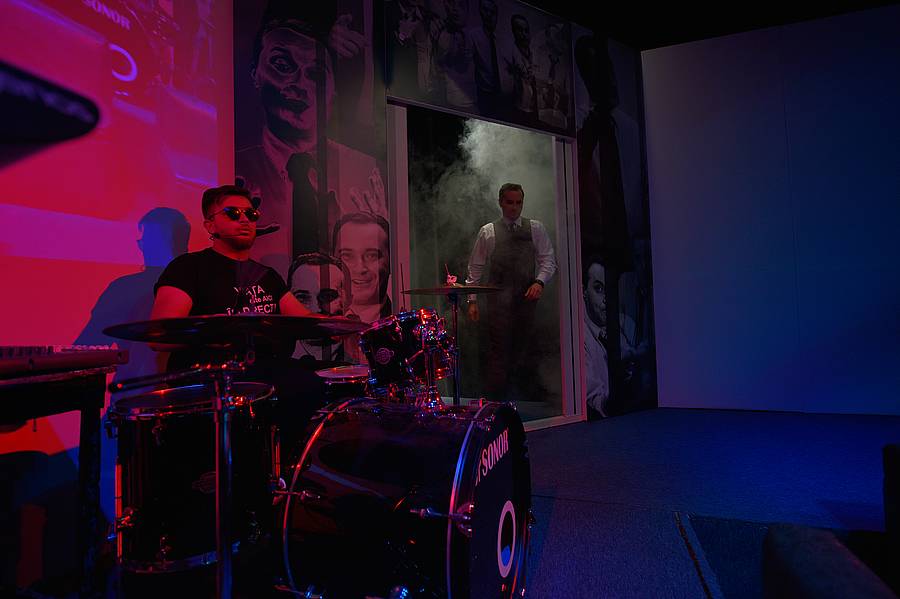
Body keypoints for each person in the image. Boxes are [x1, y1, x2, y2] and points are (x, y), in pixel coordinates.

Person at [236, 4, 380, 277]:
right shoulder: (237, 173)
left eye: (315, 74)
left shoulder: (364, 173)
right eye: (282, 66)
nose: (299, 85)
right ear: (255, 72)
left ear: (334, 90)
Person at [466, 183, 556, 402]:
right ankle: (497, 401)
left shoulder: (535, 228)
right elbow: (475, 267)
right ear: (501, 202)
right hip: (497, 300)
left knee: (524, 347)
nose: (514, 207)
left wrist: (539, 282)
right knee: (498, 350)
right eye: (510, 202)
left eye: (518, 203)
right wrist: (472, 301)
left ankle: (524, 400)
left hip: (526, 298)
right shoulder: (488, 231)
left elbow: (548, 260)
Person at [583, 260, 647, 418]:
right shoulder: (579, 339)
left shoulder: (625, 323)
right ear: (583, 292)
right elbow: (597, 403)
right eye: (598, 288)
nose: (606, 298)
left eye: (609, 289)